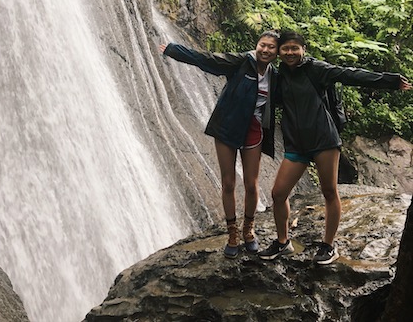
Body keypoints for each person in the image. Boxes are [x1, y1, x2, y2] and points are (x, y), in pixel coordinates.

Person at [259, 29, 412, 265]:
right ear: (279, 52)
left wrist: (388, 80)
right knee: (278, 194)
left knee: (329, 191)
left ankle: (329, 245)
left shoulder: (316, 69)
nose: (290, 52)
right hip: (296, 144)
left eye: (294, 48)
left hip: (324, 140)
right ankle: (283, 242)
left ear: (303, 50)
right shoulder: (279, 76)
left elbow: (349, 74)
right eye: (285, 48)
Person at [159, 30, 280, 258]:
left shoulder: (275, 76)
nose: (265, 50)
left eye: (271, 47)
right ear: (257, 45)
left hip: (253, 131)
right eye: (262, 45)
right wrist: (174, 50)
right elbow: (208, 61)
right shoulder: (241, 62)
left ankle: (248, 230)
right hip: (227, 127)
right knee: (228, 182)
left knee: (252, 184)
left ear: (277, 52)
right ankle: (232, 233)